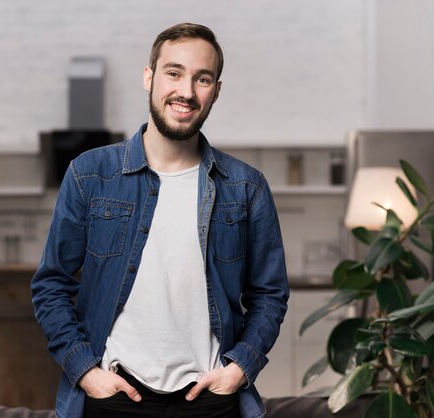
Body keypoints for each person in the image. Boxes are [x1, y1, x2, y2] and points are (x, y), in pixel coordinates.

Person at [31, 22, 289, 418]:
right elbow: (50, 286)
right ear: (149, 77)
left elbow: (269, 294)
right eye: (174, 73)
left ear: (216, 91)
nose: (186, 92)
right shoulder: (90, 174)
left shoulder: (246, 187)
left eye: (202, 79)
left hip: (210, 400)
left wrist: (238, 370)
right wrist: (86, 373)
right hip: (114, 394)